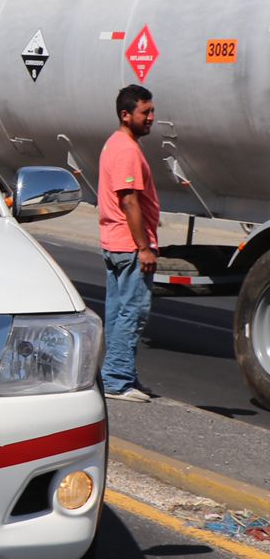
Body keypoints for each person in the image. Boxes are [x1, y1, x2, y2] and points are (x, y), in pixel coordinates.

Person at [98, 83, 161, 402]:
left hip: (116, 241)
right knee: (132, 313)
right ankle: (117, 379)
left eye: (152, 111)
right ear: (126, 115)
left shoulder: (116, 144)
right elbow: (129, 201)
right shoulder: (126, 149)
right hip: (128, 244)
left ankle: (121, 374)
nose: (151, 117)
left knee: (118, 312)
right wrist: (144, 246)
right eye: (145, 112)